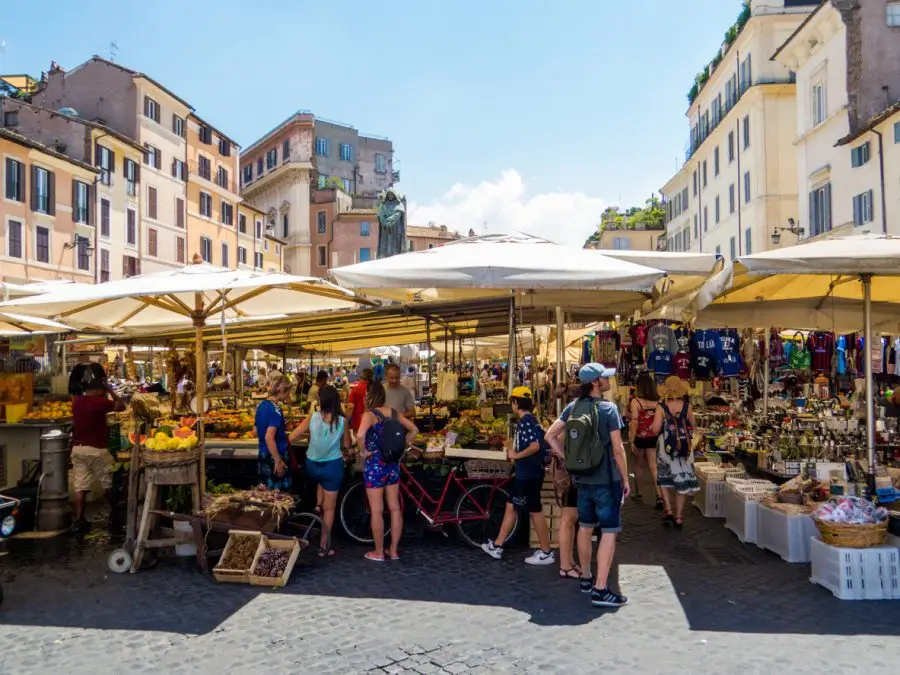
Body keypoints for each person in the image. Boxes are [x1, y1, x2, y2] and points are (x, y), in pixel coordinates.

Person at [545, 363, 630, 608]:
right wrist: (625, 478)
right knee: (609, 530)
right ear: (596, 382)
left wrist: (566, 458)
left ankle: (586, 577)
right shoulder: (608, 409)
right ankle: (601, 588)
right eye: (605, 377)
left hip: (581, 479)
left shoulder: (572, 407)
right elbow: (618, 448)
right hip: (606, 479)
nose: (608, 381)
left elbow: (549, 436)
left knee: (585, 526)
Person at [481, 387, 555, 565]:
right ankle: (498, 545)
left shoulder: (525, 422)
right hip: (529, 473)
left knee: (533, 510)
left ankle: (546, 552)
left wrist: (516, 455)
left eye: (511, 402)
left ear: (515, 403)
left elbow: (535, 446)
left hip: (527, 474)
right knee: (512, 506)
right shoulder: (532, 420)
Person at [357, 381, 418, 562]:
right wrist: (402, 445)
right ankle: (393, 551)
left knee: (377, 510)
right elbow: (414, 429)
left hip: (375, 465)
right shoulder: (393, 412)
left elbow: (360, 435)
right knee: (395, 508)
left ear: (369, 395)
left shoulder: (369, 415)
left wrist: (363, 452)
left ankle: (378, 552)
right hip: (392, 464)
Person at [290, 385, 350, 557]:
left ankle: (318, 504)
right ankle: (324, 546)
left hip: (312, 467)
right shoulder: (342, 421)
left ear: (321, 401)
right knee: (330, 510)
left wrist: (310, 436)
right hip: (332, 468)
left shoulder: (313, 417)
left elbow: (293, 435)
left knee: (320, 481)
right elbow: (346, 444)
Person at [70, 364, 126, 533]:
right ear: (100, 388)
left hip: (77, 449)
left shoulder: (77, 402)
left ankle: (79, 520)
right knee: (108, 482)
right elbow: (121, 406)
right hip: (97, 449)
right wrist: (110, 390)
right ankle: (115, 515)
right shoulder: (100, 402)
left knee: (80, 486)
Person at [650, 376, 699, 529]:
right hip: (684, 449)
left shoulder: (661, 407)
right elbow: (694, 426)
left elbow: (655, 429)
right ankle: (678, 517)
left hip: (666, 449)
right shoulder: (687, 407)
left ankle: (668, 510)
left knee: (664, 478)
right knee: (682, 482)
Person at [629, 372, 664, 509]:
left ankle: (640, 493)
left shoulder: (636, 401)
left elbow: (634, 422)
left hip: (640, 437)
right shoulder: (658, 401)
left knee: (638, 464)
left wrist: (631, 440)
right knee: (653, 466)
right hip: (654, 436)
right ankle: (660, 495)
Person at [255, 376, 294, 491]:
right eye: (288, 392)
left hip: (263, 454)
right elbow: (269, 437)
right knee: (278, 496)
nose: (288, 396)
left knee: (265, 493)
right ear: (282, 390)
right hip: (275, 456)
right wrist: (277, 460)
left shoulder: (261, 405)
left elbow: (255, 430)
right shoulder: (276, 409)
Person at [347, 368, 374, 436]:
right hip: (373, 424)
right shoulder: (375, 389)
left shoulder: (355, 390)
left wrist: (345, 422)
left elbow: (350, 408)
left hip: (358, 423)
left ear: (361, 377)